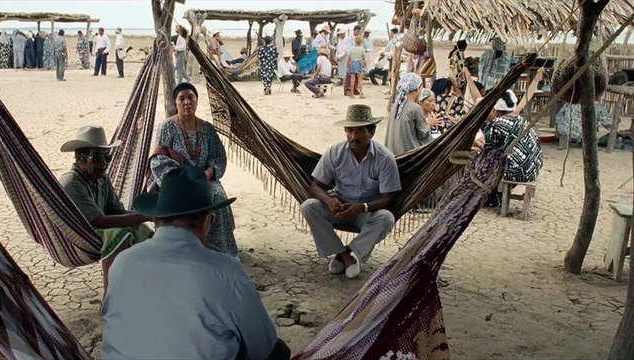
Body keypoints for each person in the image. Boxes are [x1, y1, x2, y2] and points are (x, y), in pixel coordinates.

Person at [102, 165, 289, 359]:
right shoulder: (225, 273)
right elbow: (263, 347)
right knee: (279, 352)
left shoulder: (122, 262)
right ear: (208, 220)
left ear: (156, 219)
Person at [300, 104, 401, 279]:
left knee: (386, 218)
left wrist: (361, 207)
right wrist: (329, 201)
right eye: (349, 131)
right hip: (338, 208)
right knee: (309, 206)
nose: (353, 136)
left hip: (367, 213)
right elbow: (316, 186)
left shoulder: (385, 158)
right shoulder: (335, 152)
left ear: (371, 132)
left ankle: (344, 253)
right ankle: (346, 256)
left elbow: (389, 198)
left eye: (359, 131)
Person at [148, 83, 238, 258]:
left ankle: (221, 252)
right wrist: (183, 177)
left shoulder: (207, 129)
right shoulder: (167, 127)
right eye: (182, 98)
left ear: (197, 102)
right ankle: (183, 249)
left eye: (191, 97)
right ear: (176, 103)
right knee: (180, 202)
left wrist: (210, 172)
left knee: (217, 196)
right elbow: (159, 158)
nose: (187, 102)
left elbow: (219, 156)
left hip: (205, 180)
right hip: (176, 181)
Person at [58, 126, 154, 289]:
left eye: (107, 158)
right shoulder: (72, 183)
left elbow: (117, 212)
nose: (104, 164)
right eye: (96, 158)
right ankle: (110, 294)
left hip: (98, 228)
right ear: (80, 158)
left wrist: (147, 214)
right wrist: (146, 215)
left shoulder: (101, 178)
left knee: (141, 230)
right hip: (79, 236)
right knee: (120, 234)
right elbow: (100, 221)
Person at [482, 90, 544, 207]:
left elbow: (488, 153)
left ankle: (492, 197)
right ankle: (497, 195)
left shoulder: (496, 124)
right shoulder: (522, 121)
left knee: (483, 165)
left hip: (517, 171)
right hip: (532, 170)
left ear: (494, 110)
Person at [387, 73, 435, 154]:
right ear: (418, 89)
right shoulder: (415, 108)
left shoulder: (395, 106)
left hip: (392, 153)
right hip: (409, 154)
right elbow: (424, 135)